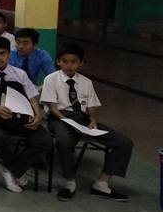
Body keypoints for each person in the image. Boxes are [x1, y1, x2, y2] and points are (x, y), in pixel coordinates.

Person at [41, 43, 133, 202]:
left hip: (82, 119)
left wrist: (92, 120)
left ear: (81, 63)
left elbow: (91, 106)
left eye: (73, 61)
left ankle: (102, 183)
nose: (69, 65)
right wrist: (65, 120)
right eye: (65, 61)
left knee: (124, 143)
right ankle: (69, 182)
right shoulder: (51, 79)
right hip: (59, 118)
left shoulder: (86, 82)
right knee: (63, 141)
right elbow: (53, 107)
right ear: (58, 62)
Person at [0, 37, 51, 193]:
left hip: (20, 118)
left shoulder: (19, 74)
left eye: (2, 53)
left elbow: (32, 97)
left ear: (9, 54)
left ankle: (11, 169)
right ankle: (15, 168)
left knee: (45, 140)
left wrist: (38, 115)